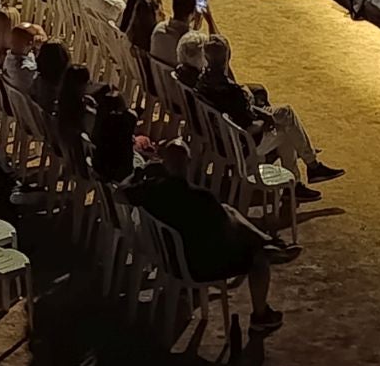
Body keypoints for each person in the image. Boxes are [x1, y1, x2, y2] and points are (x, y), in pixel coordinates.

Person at [124, 140, 291, 335]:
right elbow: (228, 232)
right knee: (259, 258)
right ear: (188, 162)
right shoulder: (202, 197)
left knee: (228, 212)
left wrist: (138, 173)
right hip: (196, 265)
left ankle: (267, 242)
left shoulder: (151, 191)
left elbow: (120, 192)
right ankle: (260, 316)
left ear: (163, 164)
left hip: (168, 258)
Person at [193, 35, 343, 193]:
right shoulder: (232, 92)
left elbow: (239, 110)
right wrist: (267, 122)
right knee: (287, 130)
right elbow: (250, 125)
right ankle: (302, 177)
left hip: (221, 134)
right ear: (228, 57)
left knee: (285, 112)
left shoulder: (202, 81)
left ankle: (308, 168)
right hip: (241, 142)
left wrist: (264, 114)